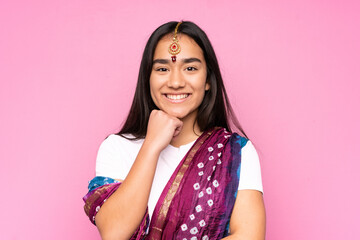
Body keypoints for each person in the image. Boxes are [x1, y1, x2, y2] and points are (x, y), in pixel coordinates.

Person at [83, 21, 266, 240]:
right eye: (162, 69)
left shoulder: (236, 152)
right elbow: (114, 233)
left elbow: (249, 236)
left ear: (208, 79)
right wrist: (151, 145)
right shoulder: (117, 148)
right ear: (148, 78)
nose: (176, 82)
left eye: (190, 68)